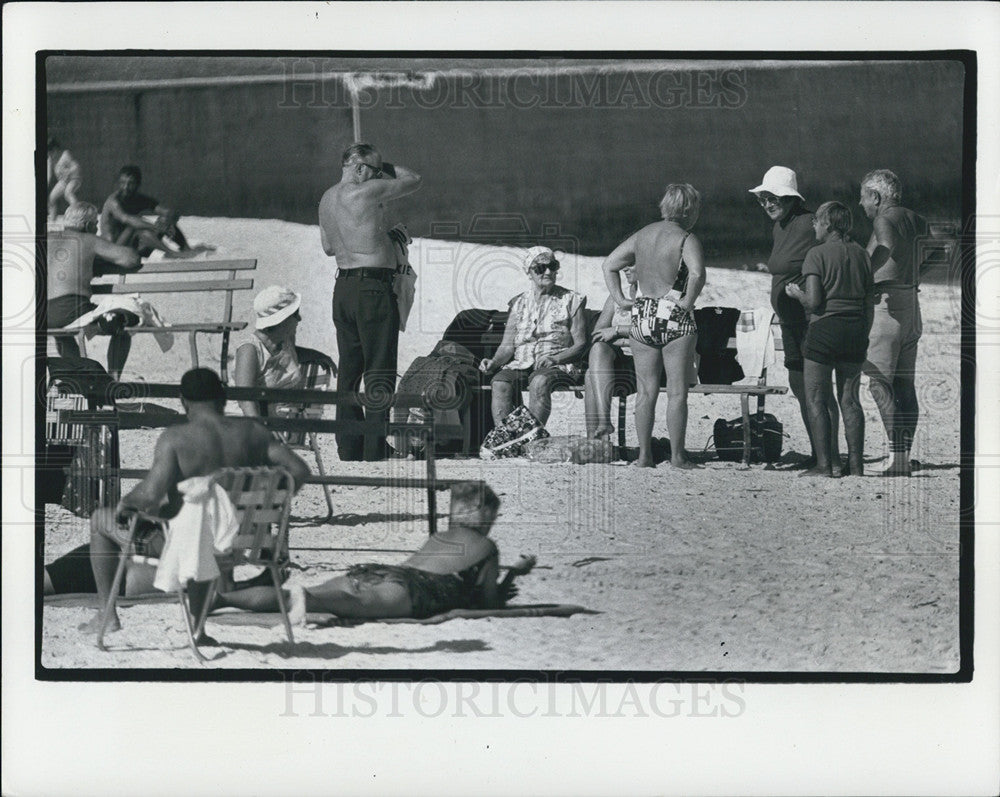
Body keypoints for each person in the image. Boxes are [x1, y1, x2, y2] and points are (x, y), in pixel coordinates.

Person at [78, 368, 311, 634]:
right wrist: (267, 498)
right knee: (200, 528)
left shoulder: (175, 438)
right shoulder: (255, 433)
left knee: (100, 521)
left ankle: (106, 616)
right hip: (242, 542)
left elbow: (151, 494)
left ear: (184, 401)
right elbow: (300, 471)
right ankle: (198, 630)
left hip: (189, 542)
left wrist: (125, 504)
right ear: (222, 399)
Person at [216, 481, 537, 622]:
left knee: (303, 593)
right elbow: (489, 603)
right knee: (299, 600)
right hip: (409, 591)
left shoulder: (441, 535)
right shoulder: (486, 547)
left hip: (381, 573)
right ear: (484, 516)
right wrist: (515, 573)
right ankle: (220, 599)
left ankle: (220, 598)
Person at [318, 143, 422, 461]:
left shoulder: (325, 199)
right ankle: (375, 448)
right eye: (373, 171)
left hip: (344, 289)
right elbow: (413, 179)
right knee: (379, 369)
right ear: (360, 167)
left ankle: (349, 447)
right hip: (372, 291)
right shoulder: (367, 190)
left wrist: (380, 237)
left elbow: (328, 248)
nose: (378, 177)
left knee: (350, 371)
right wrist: (382, 166)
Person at [603, 184, 706, 468]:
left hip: (643, 312)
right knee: (676, 392)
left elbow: (609, 265)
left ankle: (645, 456)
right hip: (672, 311)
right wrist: (686, 302)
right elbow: (696, 274)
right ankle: (677, 456)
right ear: (689, 209)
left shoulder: (643, 235)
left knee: (646, 391)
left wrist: (621, 300)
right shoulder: (686, 238)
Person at [749, 166, 840, 467]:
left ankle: (830, 457)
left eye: (773, 197)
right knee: (802, 391)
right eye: (763, 199)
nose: (767, 204)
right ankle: (819, 453)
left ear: (790, 198)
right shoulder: (781, 226)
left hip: (810, 321)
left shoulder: (807, 223)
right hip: (790, 322)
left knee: (819, 392)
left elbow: (836, 253)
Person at [785, 202, 874, 478]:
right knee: (850, 399)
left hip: (824, 330)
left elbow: (814, 301)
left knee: (816, 398)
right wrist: (863, 332)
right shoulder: (861, 254)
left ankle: (824, 465)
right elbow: (868, 303)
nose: (813, 225)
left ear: (827, 224)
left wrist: (796, 295)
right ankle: (856, 466)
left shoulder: (816, 254)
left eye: (816, 221)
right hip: (856, 328)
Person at [859, 169, 930, 477]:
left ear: (876, 197)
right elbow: (939, 252)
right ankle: (903, 453)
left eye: (863, 197)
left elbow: (886, 243)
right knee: (904, 384)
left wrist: (865, 272)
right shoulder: (916, 219)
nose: (861, 204)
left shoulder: (882, 219)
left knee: (878, 382)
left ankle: (896, 456)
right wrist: (913, 273)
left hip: (886, 306)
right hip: (911, 303)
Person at [480, 247, 588, 427]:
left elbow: (581, 344)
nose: (548, 272)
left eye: (552, 266)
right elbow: (507, 346)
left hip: (558, 364)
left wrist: (555, 359)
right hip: (521, 363)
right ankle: (505, 439)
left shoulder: (572, 300)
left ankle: (533, 439)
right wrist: (494, 362)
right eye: (540, 268)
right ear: (529, 272)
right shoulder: (518, 303)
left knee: (539, 381)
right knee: (499, 382)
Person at [47, 201, 141, 378]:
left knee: (63, 334)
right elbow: (131, 259)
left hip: (40, 313)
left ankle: (84, 378)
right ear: (88, 225)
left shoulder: (48, 237)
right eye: (95, 225)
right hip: (69, 309)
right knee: (123, 322)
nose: (97, 229)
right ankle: (112, 383)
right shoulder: (87, 239)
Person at [99, 164, 207, 259]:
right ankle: (171, 253)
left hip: (133, 247)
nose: (126, 187)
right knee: (137, 225)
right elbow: (127, 219)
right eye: (122, 183)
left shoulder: (139, 198)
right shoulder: (113, 201)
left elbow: (168, 212)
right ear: (118, 183)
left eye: (130, 183)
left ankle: (185, 248)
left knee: (163, 219)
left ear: (138, 184)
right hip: (113, 250)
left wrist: (170, 219)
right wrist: (156, 227)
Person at [234, 285, 308, 417]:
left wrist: (320, 356)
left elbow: (288, 357)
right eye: (295, 315)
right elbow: (245, 400)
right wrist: (261, 430)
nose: (300, 319)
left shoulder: (286, 341)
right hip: (250, 422)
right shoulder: (250, 350)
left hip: (281, 418)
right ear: (280, 321)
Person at [585, 264, 640, 438]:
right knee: (599, 348)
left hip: (646, 363)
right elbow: (598, 333)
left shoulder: (657, 295)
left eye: (631, 264)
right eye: (624, 264)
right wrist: (627, 337)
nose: (625, 269)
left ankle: (596, 439)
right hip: (620, 362)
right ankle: (602, 426)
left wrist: (617, 331)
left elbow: (654, 331)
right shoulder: (618, 294)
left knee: (590, 375)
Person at [47, 137, 83, 221]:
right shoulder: (50, 160)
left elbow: (76, 166)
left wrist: (69, 172)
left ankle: (78, 215)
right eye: (48, 153)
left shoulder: (65, 154)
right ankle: (52, 219)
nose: (50, 155)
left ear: (56, 149)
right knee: (51, 198)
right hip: (63, 182)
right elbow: (48, 175)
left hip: (74, 179)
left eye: (51, 152)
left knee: (68, 193)